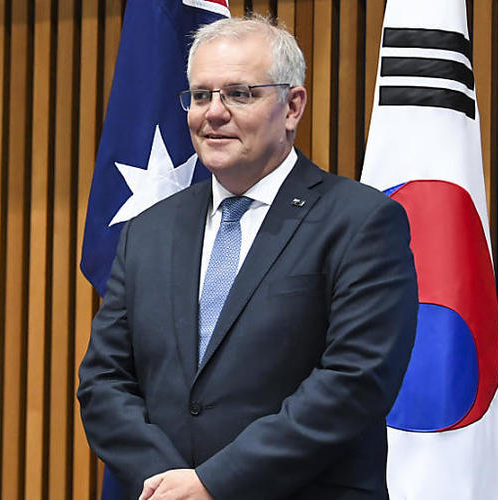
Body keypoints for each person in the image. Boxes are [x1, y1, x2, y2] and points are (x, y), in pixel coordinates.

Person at [77, 16, 417, 500]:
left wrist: (215, 484)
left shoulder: (361, 221)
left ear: (292, 106)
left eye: (240, 94)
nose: (213, 113)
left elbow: (355, 381)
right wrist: (168, 482)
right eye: (200, 95)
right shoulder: (148, 231)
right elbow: (103, 380)